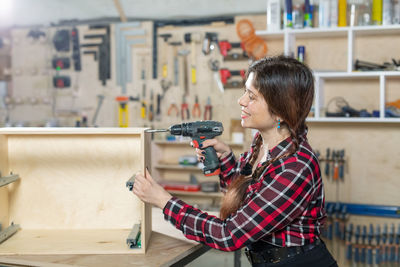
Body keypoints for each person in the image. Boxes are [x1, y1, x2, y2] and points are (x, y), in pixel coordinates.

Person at [132, 55, 338, 267]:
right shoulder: (261, 142)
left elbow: (229, 234)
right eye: (245, 92)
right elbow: (244, 205)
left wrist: (163, 201)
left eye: (252, 96)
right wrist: (226, 160)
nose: (241, 101)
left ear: (280, 110)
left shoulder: (295, 167)